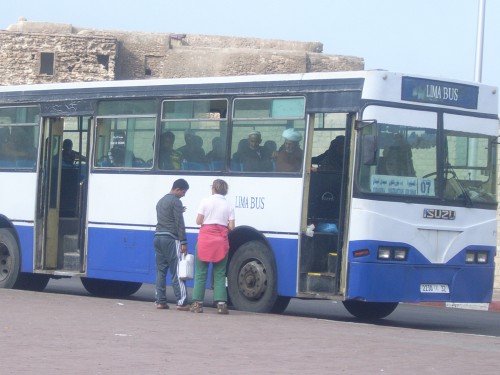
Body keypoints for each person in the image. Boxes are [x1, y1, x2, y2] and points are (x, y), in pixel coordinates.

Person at [190, 179, 235, 314]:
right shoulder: (229, 205)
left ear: (213, 188)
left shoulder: (205, 201)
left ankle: (197, 304)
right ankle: (221, 304)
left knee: (201, 272)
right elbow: (232, 227)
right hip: (221, 241)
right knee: (220, 273)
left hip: (205, 240)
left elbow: (198, 221)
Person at [154, 178, 191, 311]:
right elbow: (179, 223)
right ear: (177, 189)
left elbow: (166, 216)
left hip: (158, 237)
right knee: (177, 271)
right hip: (170, 238)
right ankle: (181, 302)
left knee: (160, 270)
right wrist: (184, 242)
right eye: (183, 192)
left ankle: (160, 301)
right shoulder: (176, 201)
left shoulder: (160, 201)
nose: (183, 195)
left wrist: (179, 210)